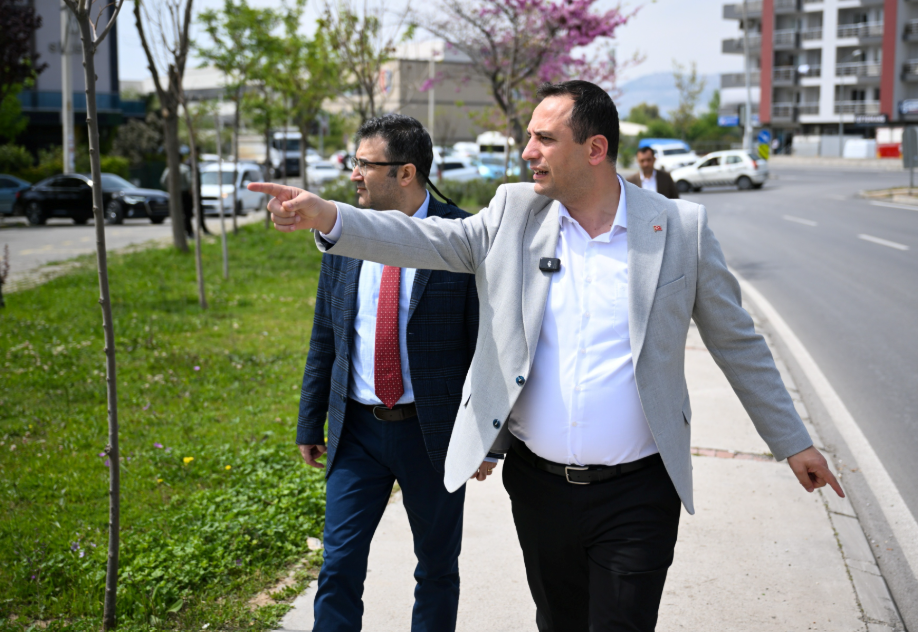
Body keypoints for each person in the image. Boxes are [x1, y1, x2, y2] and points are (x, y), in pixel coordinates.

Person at [251, 80, 844, 632]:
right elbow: (430, 238)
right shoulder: (515, 213)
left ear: (595, 149)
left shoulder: (679, 228)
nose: (527, 150)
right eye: (530, 136)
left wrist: (792, 440)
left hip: (639, 491)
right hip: (539, 489)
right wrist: (329, 216)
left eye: (544, 138)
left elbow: (736, 340)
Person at [295, 114, 480, 632]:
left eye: (365, 164)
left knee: (437, 568)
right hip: (357, 432)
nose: (353, 174)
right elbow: (326, 333)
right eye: (353, 162)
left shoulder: (462, 236)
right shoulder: (346, 232)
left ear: (406, 172)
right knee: (338, 565)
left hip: (433, 435)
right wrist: (310, 420)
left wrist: (486, 438)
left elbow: (483, 345)